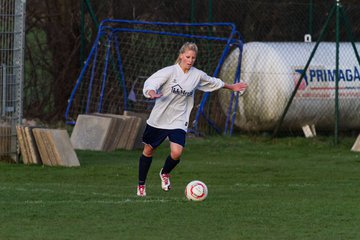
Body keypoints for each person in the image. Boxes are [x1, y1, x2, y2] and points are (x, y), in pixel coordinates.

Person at [137, 42, 247, 197]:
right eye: (187, 57)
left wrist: (232, 87)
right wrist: (151, 92)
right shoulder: (169, 72)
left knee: (176, 153)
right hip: (159, 118)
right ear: (181, 55)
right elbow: (151, 82)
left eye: (193, 58)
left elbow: (213, 82)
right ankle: (141, 185)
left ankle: (165, 173)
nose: (190, 60)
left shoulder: (197, 75)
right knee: (148, 151)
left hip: (178, 119)